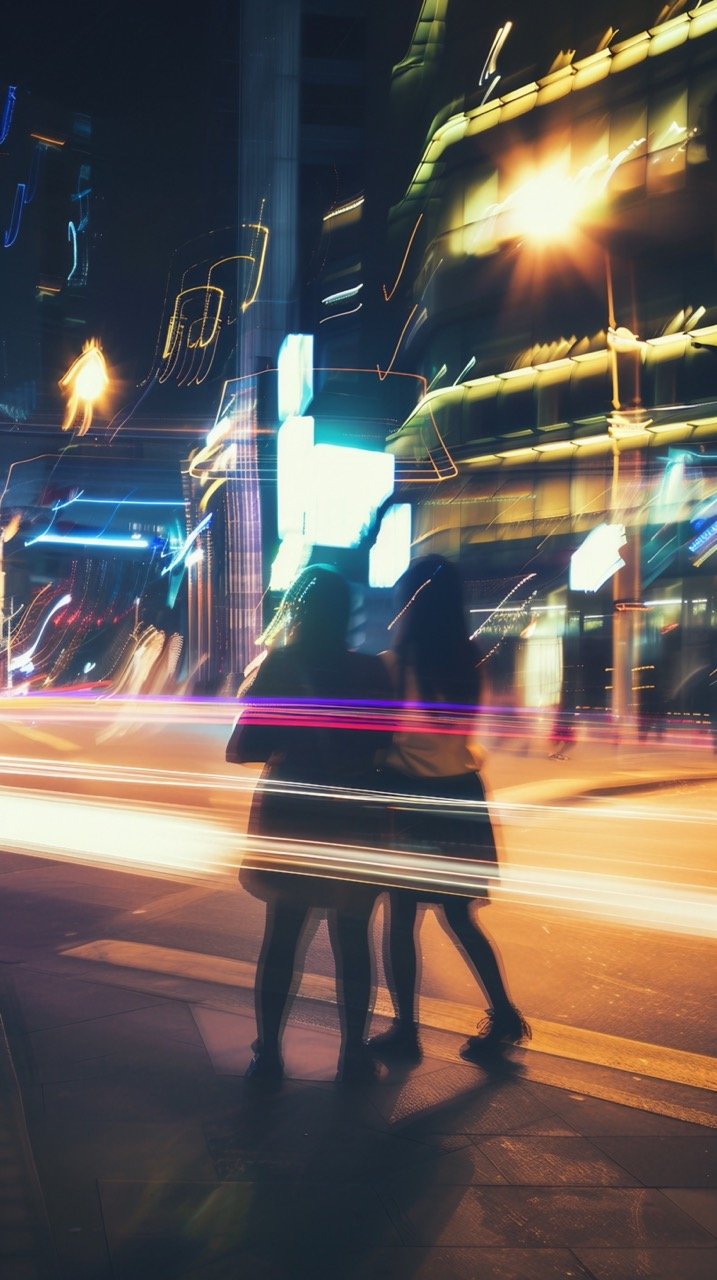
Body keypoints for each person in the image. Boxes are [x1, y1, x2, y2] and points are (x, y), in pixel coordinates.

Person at [227, 564, 391, 1084]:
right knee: (352, 938)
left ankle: (268, 1052)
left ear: (297, 609)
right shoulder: (370, 672)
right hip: (353, 817)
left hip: (292, 816)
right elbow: (386, 746)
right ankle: (353, 1053)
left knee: (282, 937)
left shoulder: (281, 665)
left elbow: (240, 749)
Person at [367, 555, 530, 1065]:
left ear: (410, 603)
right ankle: (503, 1014)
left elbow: (382, 744)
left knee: (401, 918)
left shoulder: (394, 668)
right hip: (461, 798)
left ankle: (406, 1031)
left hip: (411, 801)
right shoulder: (468, 661)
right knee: (459, 917)